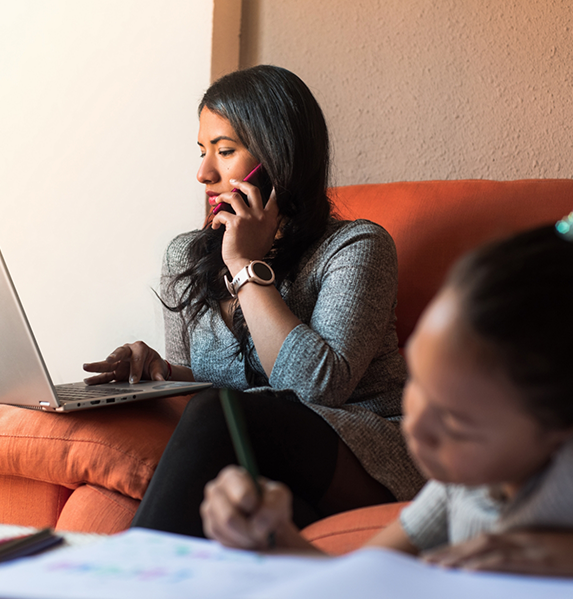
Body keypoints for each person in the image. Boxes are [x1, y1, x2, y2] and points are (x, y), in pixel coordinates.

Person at [83, 65, 425, 538]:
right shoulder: (186, 254)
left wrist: (246, 268)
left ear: (275, 158)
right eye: (202, 152)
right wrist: (160, 371)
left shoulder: (357, 247)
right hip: (258, 472)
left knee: (223, 413)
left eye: (224, 152)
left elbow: (315, 389)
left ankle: (129, 570)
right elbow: (199, 393)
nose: (203, 173)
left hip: (363, 462)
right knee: (137, 496)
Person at [201, 219, 573, 577]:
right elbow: (359, 577)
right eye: (418, 384)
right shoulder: (459, 488)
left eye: (456, 421)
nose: (416, 424)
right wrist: (274, 539)